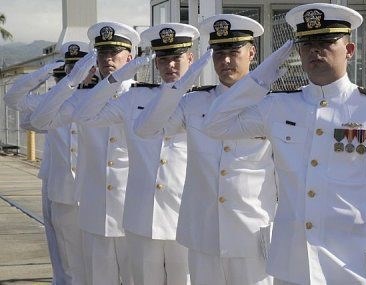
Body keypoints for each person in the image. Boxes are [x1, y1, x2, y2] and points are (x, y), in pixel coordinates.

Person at [203, 3, 366, 285]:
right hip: (293, 265)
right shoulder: (279, 106)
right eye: (306, 44)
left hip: (350, 265)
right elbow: (214, 124)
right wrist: (261, 76)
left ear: (350, 50)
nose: (314, 51)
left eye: (325, 42)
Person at [134, 14, 278, 285]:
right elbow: (146, 129)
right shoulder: (193, 102)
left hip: (252, 235)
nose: (225, 61)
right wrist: (177, 87)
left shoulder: (272, 105)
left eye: (234, 52)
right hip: (204, 234)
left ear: (252, 53)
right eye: (218, 53)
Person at [73, 22, 201, 285]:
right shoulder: (136, 98)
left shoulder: (203, 102)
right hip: (142, 218)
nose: (170, 66)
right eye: (163, 59)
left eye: (176, 58)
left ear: (191, 58)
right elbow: (84, 114)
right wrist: (115, 79)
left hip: (185, 218)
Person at [29, 21, 140, 285]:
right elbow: (40, 121)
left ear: (130, 57)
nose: (108, 59)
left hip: (132, 215)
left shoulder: (144, 97)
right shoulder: (81, 99)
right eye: (102, 53)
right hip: (95, 216)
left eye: (115, 53)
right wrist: (71, 80)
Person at [3, 59, 67, 285]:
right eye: (62, 74)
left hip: (88, 184)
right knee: (56, 242)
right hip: (54, 178)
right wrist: (46, 71)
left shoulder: (94, 100)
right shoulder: (49, 100)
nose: (65, 80)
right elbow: (12, 99)